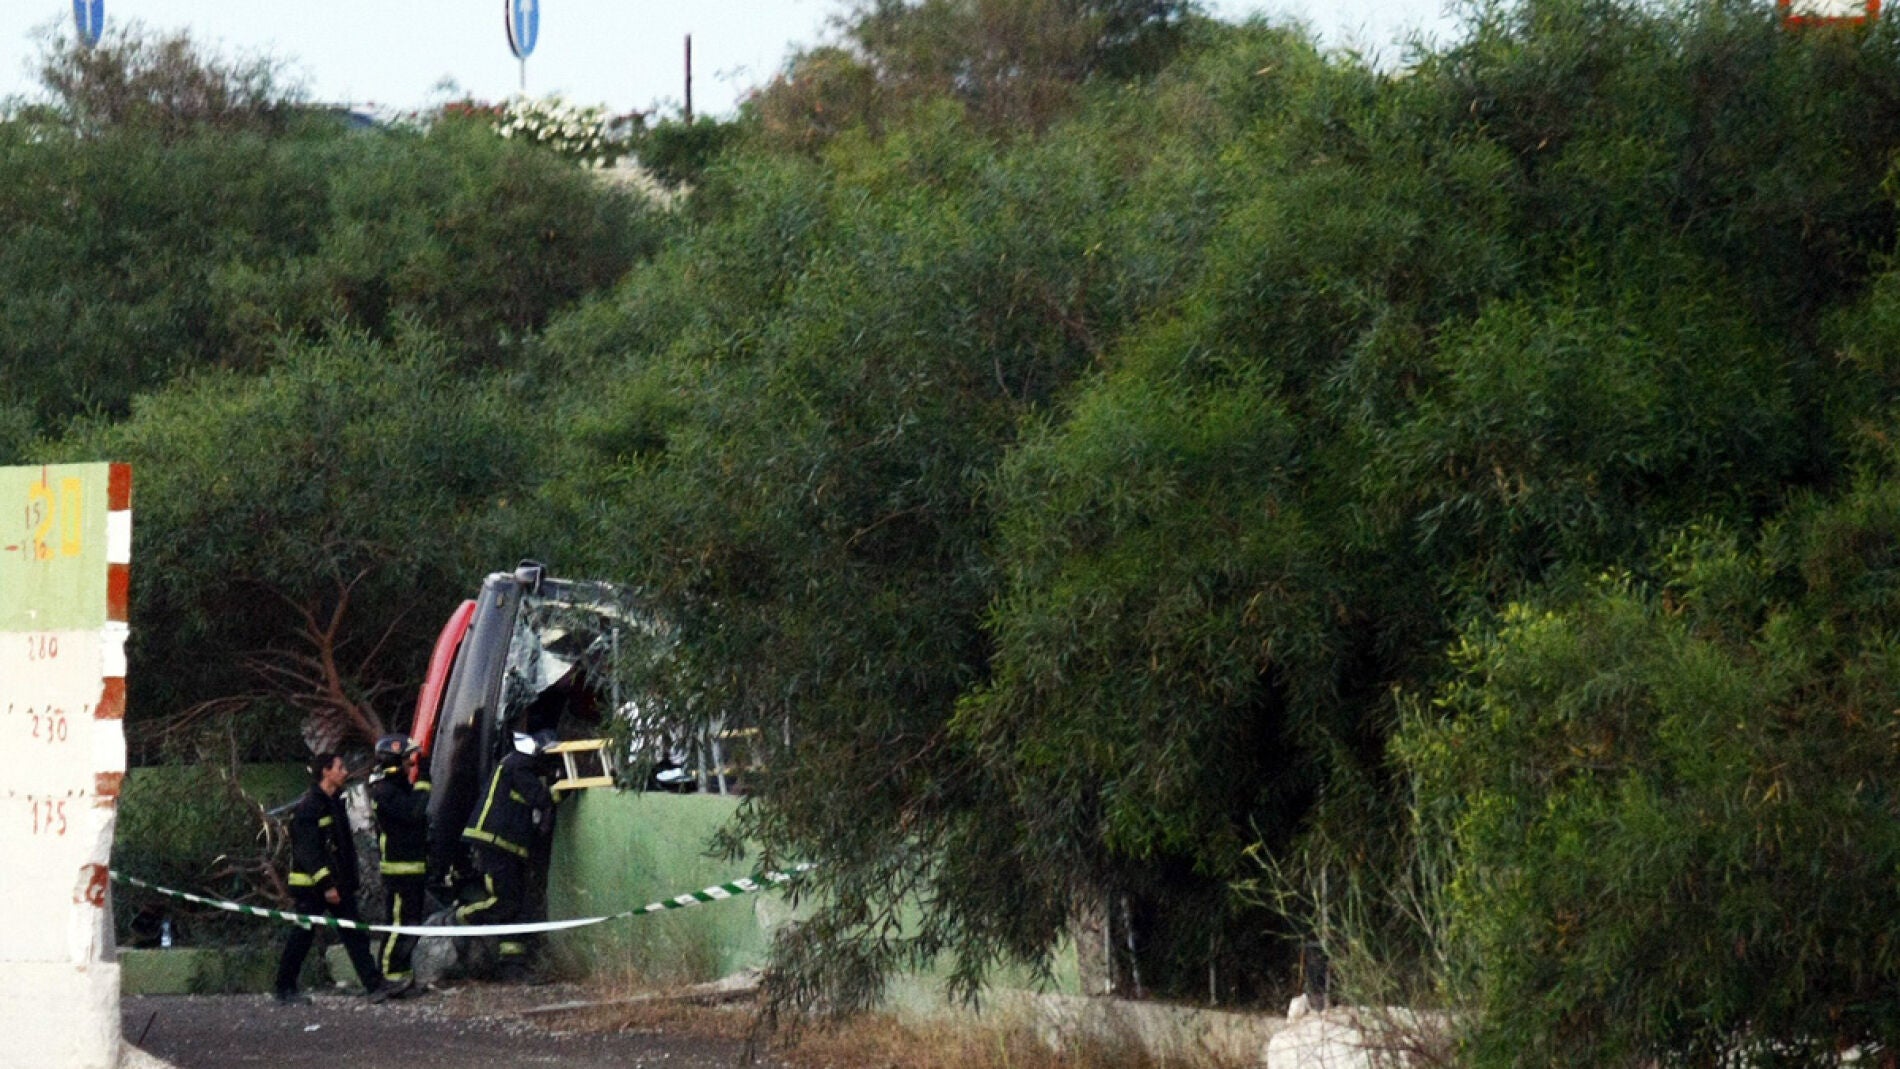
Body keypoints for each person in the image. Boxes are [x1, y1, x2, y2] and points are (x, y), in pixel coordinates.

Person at [274, 752, 389, 1005]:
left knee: (354, 933)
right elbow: (309, 852)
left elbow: (340, 847)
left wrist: (346, 881)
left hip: (337, 885)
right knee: (302, 937)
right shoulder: (309, 807)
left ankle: (375, 985)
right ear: (326, 772)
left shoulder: (333, 802)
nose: (345, 771)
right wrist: (326, 885)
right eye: (340, 767)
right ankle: (284, 989)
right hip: (313, 888)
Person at [456, 730, 557, 981]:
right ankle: (460, 917)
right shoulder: (518, 764)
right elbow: (540, 797)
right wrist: (559, 790)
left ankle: (513, 965)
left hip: (507, 846)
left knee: (518, 904)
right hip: (495, 843)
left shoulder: (517, 765)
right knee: (506, 900)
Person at [368, 733, 431, 998]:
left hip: (413, 867)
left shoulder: (398, 787)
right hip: (398, 870)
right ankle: (387, 977)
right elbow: (412, 812)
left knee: (411, 925)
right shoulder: (383, 791)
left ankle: (403, 977)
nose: (410, 765)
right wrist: (424, 782)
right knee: (397, 925)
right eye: (407, 759)